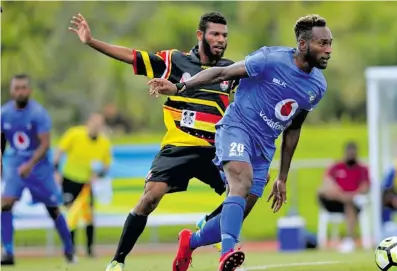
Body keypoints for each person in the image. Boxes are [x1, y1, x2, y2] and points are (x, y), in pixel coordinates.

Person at [68, 12, 264, 271]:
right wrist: (92, 41)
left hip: (216, 149)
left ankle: (209, 227)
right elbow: (132, 56)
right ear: (200, 35)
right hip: (178, 146)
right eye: (215, 34)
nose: (220, 40)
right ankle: (117, 260)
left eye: (224, 35)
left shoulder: (229, 71)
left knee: (246, 192)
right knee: (151, 197)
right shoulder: (174, 61)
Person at [148, 14, 331, 271]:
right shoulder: (270, 58)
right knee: (240, 182)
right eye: (322, 43)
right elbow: (221, 72)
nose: (328, 50)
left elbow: (294, 128)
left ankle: (189, 242)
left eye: (330, 43)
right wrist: (180, 88)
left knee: (238, 211)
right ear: (303, 45)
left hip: (264, 147)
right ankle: (227, 253)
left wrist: (283, 176)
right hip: (237, 128)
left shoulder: (317, 86)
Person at [0, 74, 75, 265]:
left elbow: (45, 144)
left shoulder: (38, 113)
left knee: (53, 209)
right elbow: (1, 140)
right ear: (11, 90)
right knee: (6, 204)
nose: (20, 91)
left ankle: (69, 248)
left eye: (23, 87)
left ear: (29, 90)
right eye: (16, 87)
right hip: (16, 165)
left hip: (39, 168)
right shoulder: (4, 113)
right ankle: (8, 252)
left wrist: (30, 165)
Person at [53, 112, 112, 257]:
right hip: (70, 179)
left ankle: (90, 249)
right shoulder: (75, 134)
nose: (96, 127)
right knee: (71, 213)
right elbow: (59, 151)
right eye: (94, 123)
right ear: (88, 123)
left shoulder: (104, 142)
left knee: (89, 216)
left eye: (100, 124)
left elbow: (106, 165)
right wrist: (56, 170)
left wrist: (97, 175)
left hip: (87, 184)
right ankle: (70, 249)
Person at [317, 142, 370, 253]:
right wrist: (341, 195)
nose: (351, 155)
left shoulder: (362, 169)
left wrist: (352, 195)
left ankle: (349, 240)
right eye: (349, 153)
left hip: (353, 202)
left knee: (349, 205)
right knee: (323, 191)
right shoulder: (335, 167)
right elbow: (327, 184)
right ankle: (323, 242)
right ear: (345, 153)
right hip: (335, 201)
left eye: (353, 153)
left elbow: (365, 187)